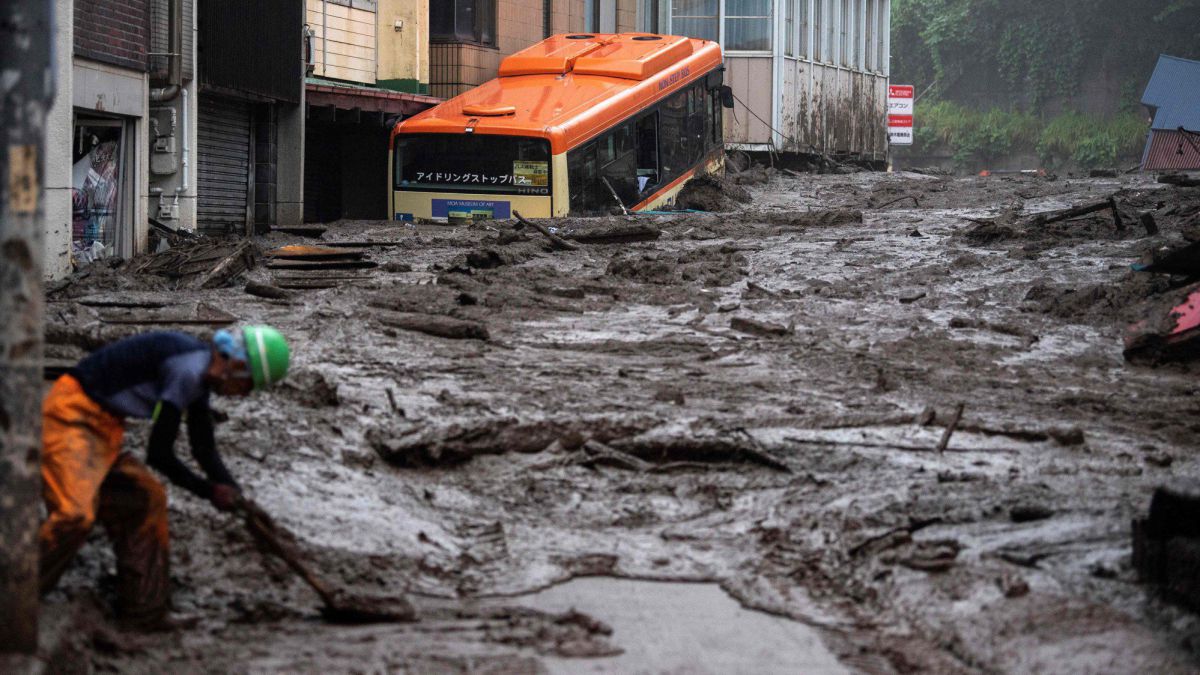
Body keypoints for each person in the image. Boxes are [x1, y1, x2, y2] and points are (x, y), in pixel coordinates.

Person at [38, 326, 290, 628]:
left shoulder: (199, 370)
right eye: (247, 386)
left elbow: (203, 447)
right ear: (236, 366)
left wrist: (236, 496)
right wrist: (210, 492)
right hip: (69, 416)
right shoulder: (187, 372)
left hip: (103, 428)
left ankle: (144, 614)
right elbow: (159, 455)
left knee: (146, 499)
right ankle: (15, 591)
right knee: (74, 515)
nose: (242, 394)